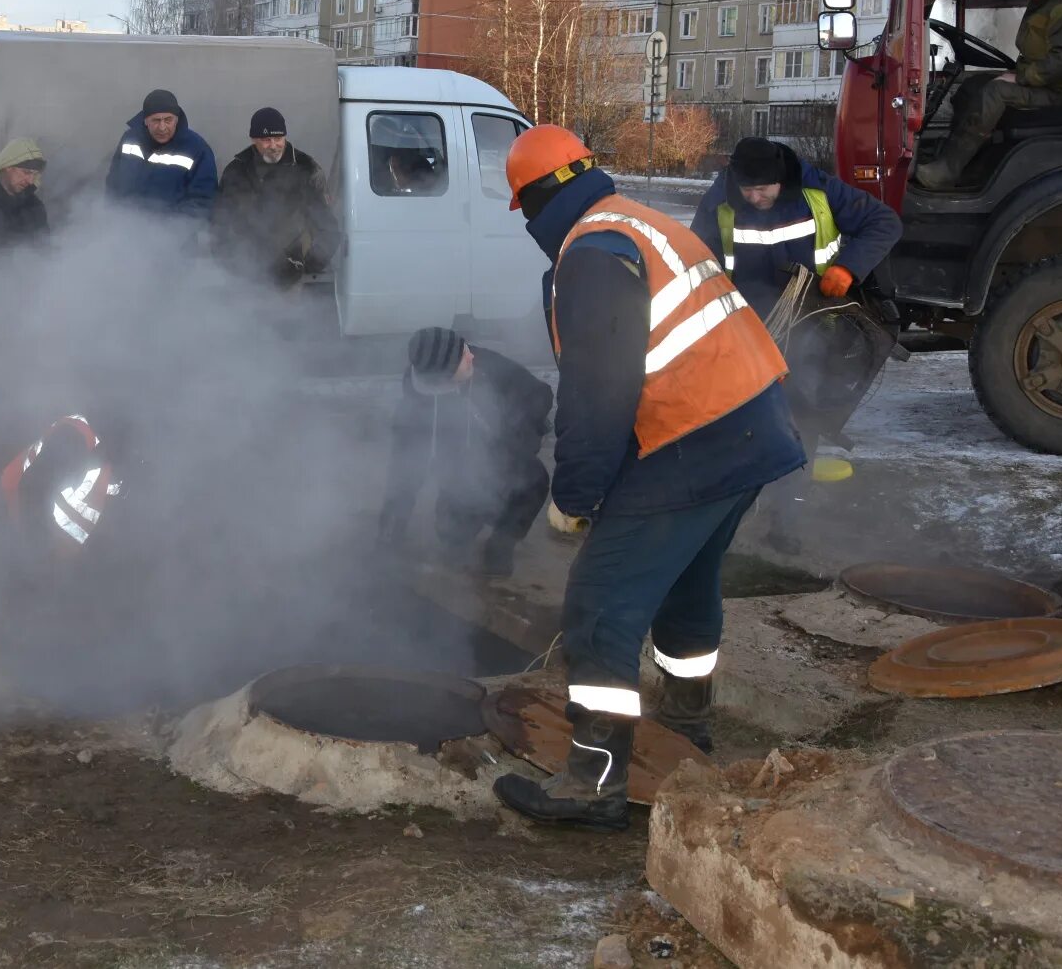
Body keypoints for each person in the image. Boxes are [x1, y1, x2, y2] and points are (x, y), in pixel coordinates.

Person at [493, 126, 805, 832]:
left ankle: (595, 780)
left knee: (600, 604)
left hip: (697, 437)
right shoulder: (635, 220)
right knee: (687, 587)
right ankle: (687, 729)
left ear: (537, 201)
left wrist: (574, 496)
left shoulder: (592, 253)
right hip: (751, 428)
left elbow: (598, 392)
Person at [376, 326, 553, 577]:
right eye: (462, 356)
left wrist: (515, 433)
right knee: (453, 537)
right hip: (459, 471)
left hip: (507, 454)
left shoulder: (485, 364)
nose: (471, 356)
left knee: (533, 481)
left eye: (465, 347)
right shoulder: (416, 409)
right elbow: (403, 474)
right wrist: (388, 536)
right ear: (443, 378)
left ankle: (501, 544)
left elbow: (540, 395)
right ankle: (457, 537)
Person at [913, 0, 1062, 190]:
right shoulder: (1052, 0)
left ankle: (948, 170)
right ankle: (967, 161)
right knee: (972, 86)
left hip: (1058, 92)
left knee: (995, 92)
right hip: (1042, 82)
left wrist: (1020, 77)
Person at [691, 137, 902, 320]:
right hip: (746, 321)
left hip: (816, 317)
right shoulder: (718, 202)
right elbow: (693, 257)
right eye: (747, 190)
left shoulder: (817, 189)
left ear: (780, 180)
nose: (754, 198)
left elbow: (884, 222)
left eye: (762, 189)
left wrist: (848, 267)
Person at [213, 107, 339, 286]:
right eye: (266, 140)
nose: (273, 145)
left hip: (292, 280)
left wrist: (305, 266)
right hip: (243, 277)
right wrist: (230, 263)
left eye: (278, 138)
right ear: (254, 140)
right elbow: (220, 222)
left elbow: (329, 229)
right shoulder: (236, 170)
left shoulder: (306, 169)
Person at [0, 414, 126, 554]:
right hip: (11, 529)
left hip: (44, 547)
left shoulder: (111, 466)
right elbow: (32, 491)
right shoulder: (74, 437)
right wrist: (41, 556)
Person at [105, 88, 218, 219]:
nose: (162, 127)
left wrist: (168, 230)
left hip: (172, 235)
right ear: (145, 120)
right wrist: (111, 218)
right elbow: (113, 183)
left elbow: (202, 202)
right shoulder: (129, 140)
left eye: (168, 120)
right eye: (156, 120)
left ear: (177, 119)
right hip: (125, 229)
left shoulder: (197, 149)